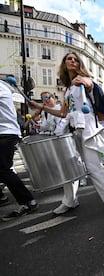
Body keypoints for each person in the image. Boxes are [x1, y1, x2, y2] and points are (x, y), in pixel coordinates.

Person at [29, 52, 104, 215]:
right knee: (69, 166)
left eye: (75, 59)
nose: (72, 61)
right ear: (64, 63)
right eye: (69, 59)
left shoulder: (82, 80)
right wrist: (42, 108)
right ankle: (70, 201)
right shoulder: (67, 89)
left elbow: (90, 84)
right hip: (72, 130)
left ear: (79, 63)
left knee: (94, 167)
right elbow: (63, 113)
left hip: (88, 130)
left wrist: (86, 82)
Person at [0, 79, 39, 221]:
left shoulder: (1, 87)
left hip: (5, 133)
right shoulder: (5, 86)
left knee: (4, 169)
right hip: (6, 132)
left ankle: (29, 201)